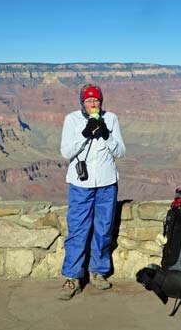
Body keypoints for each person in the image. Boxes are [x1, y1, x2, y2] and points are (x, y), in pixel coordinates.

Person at [57, 83, 126, 300]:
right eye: (88, 101)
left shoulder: (111, 118)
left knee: (103, 229)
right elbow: (66, 151)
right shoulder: (72, 120)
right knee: (77, 229)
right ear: (82, 103)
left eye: (96, 100)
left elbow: (121, 151)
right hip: (81, 184)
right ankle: (72, 277)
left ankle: (98, 272)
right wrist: (85, 134)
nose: (93, 104)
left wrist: (106, 135)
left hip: (106, 183)